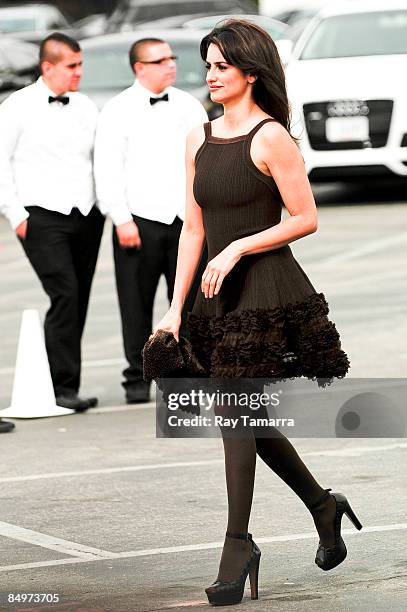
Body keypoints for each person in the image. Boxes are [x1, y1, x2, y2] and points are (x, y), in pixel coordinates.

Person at [151, 19, 362, 606]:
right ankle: (324, 505)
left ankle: (237, 544)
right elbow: (192, 228)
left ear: (250, 71)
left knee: (234, 417)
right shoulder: (198, 137)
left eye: (221, 66)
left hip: (266, 292)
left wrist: (240, 246)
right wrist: (173, 312)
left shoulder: (271, 138)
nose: (210, 75)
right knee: (246, 418)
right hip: (213, 298)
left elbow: (305, 217)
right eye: (208, 65)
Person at [94, 37, 208, 404]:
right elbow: (107, 168)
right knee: (135, 303)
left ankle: (187, 376)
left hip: (185, 220)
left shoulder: (190, 105)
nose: (171, 64)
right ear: (139, 68)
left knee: (188, 301)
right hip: (137, 221)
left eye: (172, 58)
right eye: (160, 60)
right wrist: (120, 218)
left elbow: (204, 159)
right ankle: (136, 378)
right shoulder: (116, 110)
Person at [0, 33, 104, 412]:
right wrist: (16, 215)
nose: (79, 72)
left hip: (86, 214)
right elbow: (0, 162)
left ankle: (66, 385)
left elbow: (99, 159)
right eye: (71, 66)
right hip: (40, 216)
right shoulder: (17, 107)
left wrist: (104, 205)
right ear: (48, 67)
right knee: (65, 293)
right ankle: (60, 387)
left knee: (79, 297)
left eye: (80, 65)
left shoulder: (86, 106)